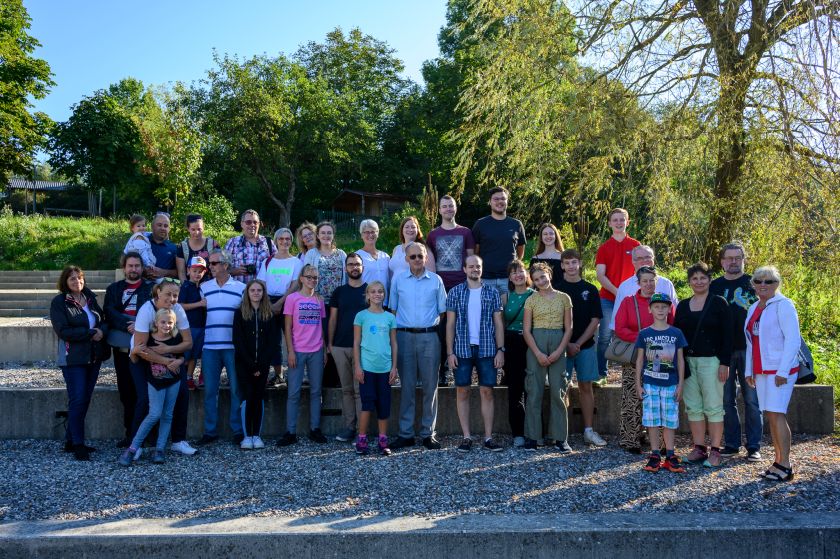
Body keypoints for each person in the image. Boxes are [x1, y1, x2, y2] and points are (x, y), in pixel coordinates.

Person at [389, 242, 447, 451]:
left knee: (431, 386)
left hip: (429, 336)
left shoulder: (436, 280)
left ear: (426, 258)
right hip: (404, 336)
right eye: (412, 257)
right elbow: (393, 311)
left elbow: (443, 311)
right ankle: (405, 433)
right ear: (406, 259)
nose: (416, 260)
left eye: (420, 256)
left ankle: (428, 433)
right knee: (407, 387)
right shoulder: (398, 280)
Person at [745, 266, 801, 482]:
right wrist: (750, 370)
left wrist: (783, 370)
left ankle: (785, 465)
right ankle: (777, 461)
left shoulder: (784, 305)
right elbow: (750, 341)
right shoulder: (753, 307)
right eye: (758, 281)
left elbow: (793, 340)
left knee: (777, 414)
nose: (763, 285)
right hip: (761, 371)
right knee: (770, 414)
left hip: (779, 371)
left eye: (768, 281)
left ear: (777, 283)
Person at [674, 262, 733, 467]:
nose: (699, 282)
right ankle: (699, 448)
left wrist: (724, 362)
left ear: (709, 279)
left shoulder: (718, 303)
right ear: (689, 282)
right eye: (694, 278)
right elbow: (677, 336)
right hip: (688, 362)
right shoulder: (682, 305)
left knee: (714, 407)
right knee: (693, 407)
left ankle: (715, 450)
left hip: (712, 362)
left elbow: (728, 335)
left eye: (703, 278)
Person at [50, 265, 110, 461]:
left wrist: (102, 330)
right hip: (73, 359)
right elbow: (63, 331)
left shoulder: (90, 298)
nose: (77, 281)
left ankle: (70, 440)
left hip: (93, 357)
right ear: (65, 282)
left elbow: (102, 320)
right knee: (78, 399)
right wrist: (90, 333)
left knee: (84, 399)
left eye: (79, 277)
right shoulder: (60, 302)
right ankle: (78, 444)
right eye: (72, 279)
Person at [445, 255, 505, 452]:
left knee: (487, 391)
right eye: (471, 266)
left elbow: (498, 323)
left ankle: (488, 438)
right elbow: (450, 324)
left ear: (482, 268)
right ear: (464, 269)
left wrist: (500, 349)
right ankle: (467, 437)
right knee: (462, 391)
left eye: (478, 266)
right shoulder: (455, 292)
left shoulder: (492, 292)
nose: (474, 269)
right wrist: (450, 352)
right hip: (461, 349)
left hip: (487, 349)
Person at [131, 279, 196, 457]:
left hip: (170, 357)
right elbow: (141, 349)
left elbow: (188, 343)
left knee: (183, 393)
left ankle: (178, 441)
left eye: (175, 295)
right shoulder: (146, 310)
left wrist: (169, 350)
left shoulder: (178, 309)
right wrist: (167, 361)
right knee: (144, 399)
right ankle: (137, 445)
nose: (172, 298)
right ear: (157, 292)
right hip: (144, 359)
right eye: (168, 294)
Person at [710, 242, 762, 462]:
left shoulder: (755, 284)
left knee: (752, 400)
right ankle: (732, 444)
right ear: (722, 262)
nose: (733, 262)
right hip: (724, 352)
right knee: (726, 400)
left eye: (737, 257)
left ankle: (753, 447)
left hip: (749, 350)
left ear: (743, 259)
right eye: (729, 258)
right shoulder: (714, 286)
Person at [614, 266, 675, 453]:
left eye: (652, 280)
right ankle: (631, 439)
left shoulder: (665, 302)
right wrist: (644, 338)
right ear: (638, 283)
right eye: (645, 281)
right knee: (632, 398)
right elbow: (620, 328)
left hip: (662, 356)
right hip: (635, 355)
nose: (648, 284)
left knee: (661, 397)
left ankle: (664, 443)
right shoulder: (627, 302)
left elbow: (672, 325)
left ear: (657, 281)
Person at [119, 308, 184, 466]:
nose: (166, 325)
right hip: (155, 382)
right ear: (156, 323)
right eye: (163, 322)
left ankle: (159, 449)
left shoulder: (176, 337)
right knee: (154, 414)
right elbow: (136, 361)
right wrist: (133, 352)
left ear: (174, 323)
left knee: (167, 415)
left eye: (170, 322)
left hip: (173, 380)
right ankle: (133, 447)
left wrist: (179, 361)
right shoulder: (147, 339)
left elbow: (183, 356)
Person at [556, 249, 607, 447]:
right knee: (562, 388)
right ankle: (562, 432)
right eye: (567, 263)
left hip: (585, 346)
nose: (570, 266)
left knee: (586, 386)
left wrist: (578, 343)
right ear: (562, 266)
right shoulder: (557, 290)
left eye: (574, 262)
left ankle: (588, 430)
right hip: (563, 347)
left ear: (580, 264)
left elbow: (596, 320)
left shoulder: (591, 289)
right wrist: (567, 344)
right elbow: (555, 321)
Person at [521, 262, 573, 452]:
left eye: (543, 276)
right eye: (536, 279)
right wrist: (538, 353)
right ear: (533, 282)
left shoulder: (564, 298)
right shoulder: (531, 300)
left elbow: (569, 328)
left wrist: (559, 351)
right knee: (534, 391)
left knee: (558, 391)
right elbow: (526, 330)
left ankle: (560, 438)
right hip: (537, 342)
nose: (540, 281)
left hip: (559, 342)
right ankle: (533, 437)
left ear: (549, 274)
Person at [103, 252, 153, 447]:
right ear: (124, 268)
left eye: (137, 266)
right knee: (126, 393)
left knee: (146, 393)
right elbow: (109, 311)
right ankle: (130, 434)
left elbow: (155, 309)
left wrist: (139, 325)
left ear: (142, 268)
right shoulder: (114, 289)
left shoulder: (151, 288)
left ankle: (146, 435)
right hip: (123, 349)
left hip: (144, 347)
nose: (134, 269)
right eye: (130, 266)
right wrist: (127, 324)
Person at [197, 249, 246, 445]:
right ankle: (210, 431)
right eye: (210, 264)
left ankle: (237, 430)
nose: (211, 267)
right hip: (210, 346)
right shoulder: (204, 287)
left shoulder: (242, 288)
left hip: (233, 347)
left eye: (214, 263)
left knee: (236, 390)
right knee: (210, 390)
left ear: (226, 265)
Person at [635, 293, 687, 473]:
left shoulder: (676, 333)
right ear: (650, 309)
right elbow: (640, 360)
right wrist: (638, 383)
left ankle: (670, 454)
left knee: (670, 420)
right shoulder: (645, 333)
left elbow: (680, 360)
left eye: (664, 306)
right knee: (651, 419)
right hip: (650, 383)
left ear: (669, 309)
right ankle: (655, 454)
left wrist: (681, 384)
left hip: (671, 383)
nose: (660, 310)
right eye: (656, 306)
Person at [427, 195, 475, 385]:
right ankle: (441, 372)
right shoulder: (433, 234)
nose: (448, 209)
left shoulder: (466, 232)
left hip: (462, 287)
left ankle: (461, 372)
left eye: (451, 206)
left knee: (461, 330)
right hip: (441, 287)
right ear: (439, 210)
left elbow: (471, 259)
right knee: (440, 330)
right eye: (444, 206)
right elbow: (430, 262)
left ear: (455, 209)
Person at [277, 264, 328, 446]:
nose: (312, 280)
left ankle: (315, 429)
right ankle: (290, 431)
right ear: (301, 278)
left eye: (315, 278)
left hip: (316, 350)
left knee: (316, 391)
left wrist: (324, 349)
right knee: (293, 393)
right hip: (297, 350)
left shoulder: (319, 300)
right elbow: (287, 327)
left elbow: (321, 327)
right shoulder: (292, 299)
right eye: (309, 277)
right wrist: (289, 351)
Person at [352, 281, 398, 456]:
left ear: (384, 295)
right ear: (367, 295)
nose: (377, 294)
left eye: (380, 291)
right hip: (367, 369)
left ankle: (382, 440)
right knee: (367, 404)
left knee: (384, 405)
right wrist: (358, 366)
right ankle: (362, 439)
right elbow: (356, 343)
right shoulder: (361, 316)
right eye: (373, 291)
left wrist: (394, 367)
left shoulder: (390, 318)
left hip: (385, 369)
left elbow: (394, 343)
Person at [233, 280, 280, 450]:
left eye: (259, 290)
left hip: (263, 365)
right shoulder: (239, 313)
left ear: (263, 293)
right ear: (247, 292)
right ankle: (247, 436)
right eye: (252, 290)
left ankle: (257, 435)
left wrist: (261, 365)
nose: (256, 293)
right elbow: (238, 341)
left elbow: (272, 342)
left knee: (258, 397)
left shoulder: (269, 314)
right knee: (247, 396)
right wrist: (251, 365)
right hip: (244, 364)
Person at [595, 208, 640, 378]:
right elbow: (600, 275)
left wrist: (626, 293)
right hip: (608, 298)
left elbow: (642, 271)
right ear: (609, 223)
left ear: (628, 222)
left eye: (622, 219)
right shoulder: (604, 248)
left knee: (632, 334)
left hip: (632, 299)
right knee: (605, 336)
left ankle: (632, 374)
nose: (619, 223)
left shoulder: (636, 245)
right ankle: (601, 374)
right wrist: (618, 292)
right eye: (615, 220)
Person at [328, 253, 367, 443]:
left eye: (357, 264)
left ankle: (362, 430)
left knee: (360, 390)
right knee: (346, 390)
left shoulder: (370, 291)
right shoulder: (339, 292)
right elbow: (333, 319)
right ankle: (349, 427)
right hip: (340, 346)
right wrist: (330, 343)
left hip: (363, 348)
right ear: (345, 268)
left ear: (362, 268)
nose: (354, 267)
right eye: (351, 264)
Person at [257, 227, 303, 384]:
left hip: (288, 301)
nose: (284, 241)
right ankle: (278, 374)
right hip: (268, 301)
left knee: (292, 338)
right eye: (281, 239)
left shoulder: (296, 262)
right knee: (272, 340)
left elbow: (295, 285)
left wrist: (280, 303)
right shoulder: (268, 261)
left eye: (287, 239)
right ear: (276, 241)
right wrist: (269, 304)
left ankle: (295, 374)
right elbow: (261, 283)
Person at [471, 187, 526, 297]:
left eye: (503, 199)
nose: (500, 201)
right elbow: (475, 252)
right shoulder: (480, 224)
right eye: (496, 199)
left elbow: (520, 253)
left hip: (509, 279)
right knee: (486, 313)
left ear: (507, 201)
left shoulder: (516, 224)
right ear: (490, 202)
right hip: (485, 279)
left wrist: (514, 271)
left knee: (509, 314)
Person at [609, 245, 679, 330]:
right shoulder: (625, 286)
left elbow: (675, 314)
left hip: (663, 337)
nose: (644, 261)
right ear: (633, 261)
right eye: (640, 258)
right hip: (634, 338)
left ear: (653, 259)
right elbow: (617, 323)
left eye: (648, 257)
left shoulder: (666, 284)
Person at [501, 259, 533, 447]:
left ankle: (533, 431)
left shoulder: (535, 295)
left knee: (533, 389)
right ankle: (518, 432)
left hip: (531, 342)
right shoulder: (506, 297)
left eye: (521, 271)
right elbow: (502, 324)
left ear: (527, 274)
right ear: (510, 278)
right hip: (512, 343)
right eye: (514, 273)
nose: (518, 275)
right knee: (515, 389)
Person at [178, 257, 207, 390]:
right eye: (194, 270)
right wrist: (199, 304)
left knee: (195, 354)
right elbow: (180, 305)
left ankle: (189, 377)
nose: (197, 274)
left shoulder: (202, 287)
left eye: (200, 271)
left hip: (201, 326)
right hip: (189, 327)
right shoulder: (185, 286)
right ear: (188, 270)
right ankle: (182, 377)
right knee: (186, 354)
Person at [225, 209, 276, 284]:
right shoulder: (232, 243)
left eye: (255, 222)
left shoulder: (268, 243)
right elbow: (220, 269)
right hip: (238, 292)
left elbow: (278, 266)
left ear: (259, 224)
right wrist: (234, 271)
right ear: (242, 224)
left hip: (263, 292)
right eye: (248, 222)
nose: (252, 225)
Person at [303, 221, 347, 306]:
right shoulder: (311, 254)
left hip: (338, 301)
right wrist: (314, 293)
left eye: (329, 233)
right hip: (317, 301)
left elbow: (347, 276)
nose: (326, 235)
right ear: (318, 236)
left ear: (333, 235)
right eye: (323, 233)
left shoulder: (341, 254)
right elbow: (306, 276)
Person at [175, 214, 219, 281]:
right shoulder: (182, 247)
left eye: (199, 229)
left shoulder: (213, 244)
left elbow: (219, 268)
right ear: (188, 229)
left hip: (210, 285)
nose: (197, 232)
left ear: (203, 227)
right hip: (190, 286)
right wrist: (187, 288)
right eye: (193, 229)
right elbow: (181, 273)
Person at [356, 219, 390, 303]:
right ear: (361, 235)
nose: (370, 235)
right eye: (366, 232)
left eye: (373, 231)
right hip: (365, 302)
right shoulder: (357, 256)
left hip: (384, 303)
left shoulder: (386, 256)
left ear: (377, 234)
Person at [529, 223, 565, 288]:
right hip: (540, 296)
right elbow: (532, 282)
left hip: (560, 295)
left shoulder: (564, 257)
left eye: (551, 233)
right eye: (545, 234)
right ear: (541, 238)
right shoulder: (535, 259)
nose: (548, 236)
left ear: (556, 236)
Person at [145, 212, 178, 282]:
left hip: (164, 289)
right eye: (159, 225)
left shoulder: (174, 248)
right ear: (152, 226)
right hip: (142, 286)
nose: (163, 228)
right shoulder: (142, 243)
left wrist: (164, 272)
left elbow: (179, 272)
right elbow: (127, 262)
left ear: (169, 229)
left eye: (166, 226)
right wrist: (144, 271)